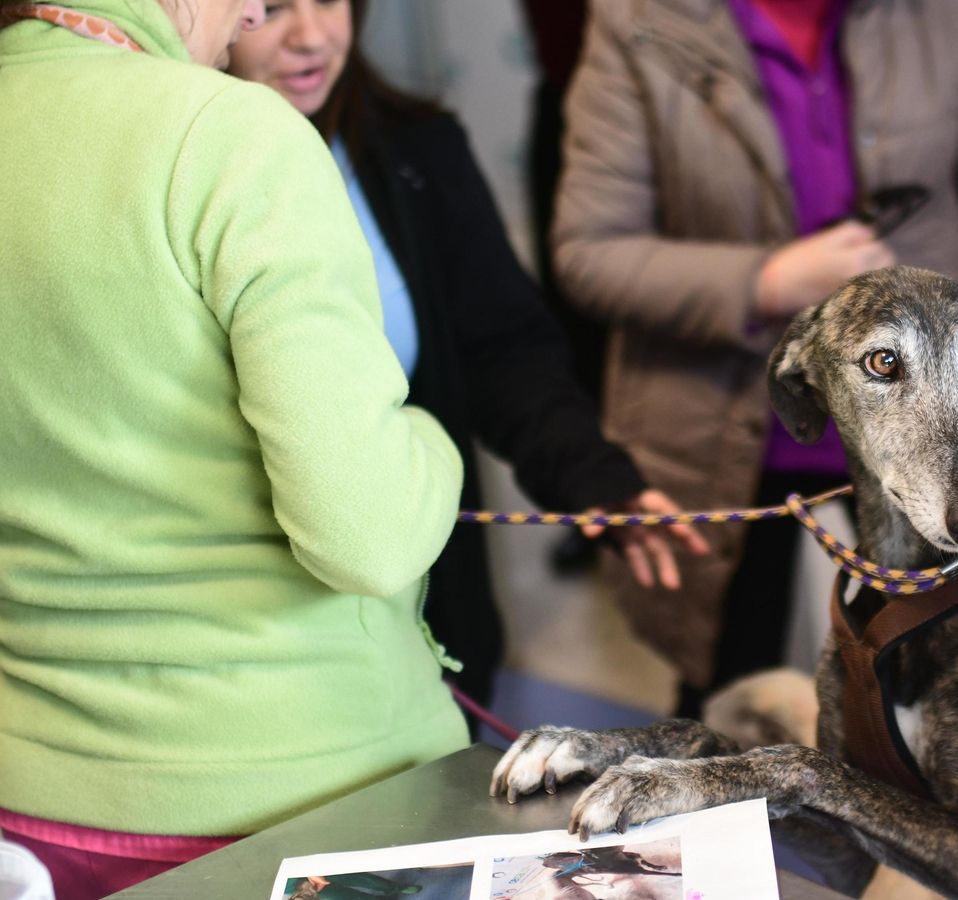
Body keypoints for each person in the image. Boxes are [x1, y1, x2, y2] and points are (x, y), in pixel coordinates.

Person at [1, 0, 452, 896]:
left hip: (31, 803)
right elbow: (365, 535)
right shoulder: (231, 135)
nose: (252, 14)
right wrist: (429, 442)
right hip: (295, 795)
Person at [557, 0, 958, 716]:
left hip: (928, 429)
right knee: (726, 691)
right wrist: (768, 281)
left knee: (953, 694)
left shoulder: (945, 14)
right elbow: (587, 251)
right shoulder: (638, 18)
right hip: (725, 429)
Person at [226, 0, 709, 707]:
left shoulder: (415, 146)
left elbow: (502, 348)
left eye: (327, 0)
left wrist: (593, 476)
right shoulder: (185, 181)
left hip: (433, 604)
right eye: (270, 10)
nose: (310, 35)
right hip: (270, 623)